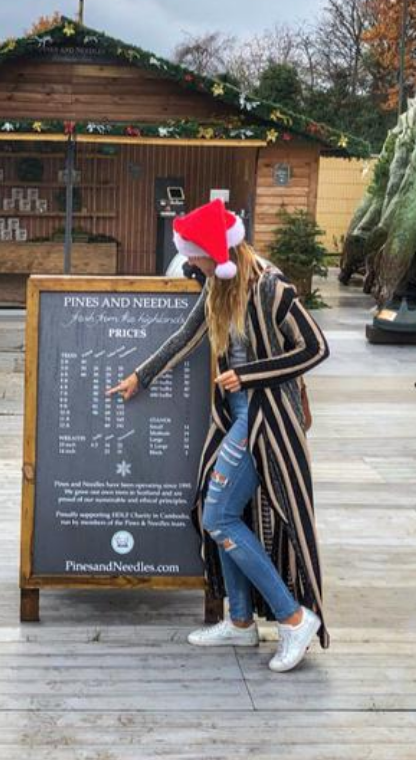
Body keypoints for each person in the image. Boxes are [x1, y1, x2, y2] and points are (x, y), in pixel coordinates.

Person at [107, 198, 330, 673]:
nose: (190, 263)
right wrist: (140, 377)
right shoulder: (218, 285)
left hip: (266, 420)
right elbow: (186, 336)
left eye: (194, 255)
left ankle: (294, 618)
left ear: (216, 252)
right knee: (221, 511)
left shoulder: (271, 287)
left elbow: (315, 348)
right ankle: (241, 621)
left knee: (219, 517)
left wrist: (250, 376)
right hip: (235, 416)